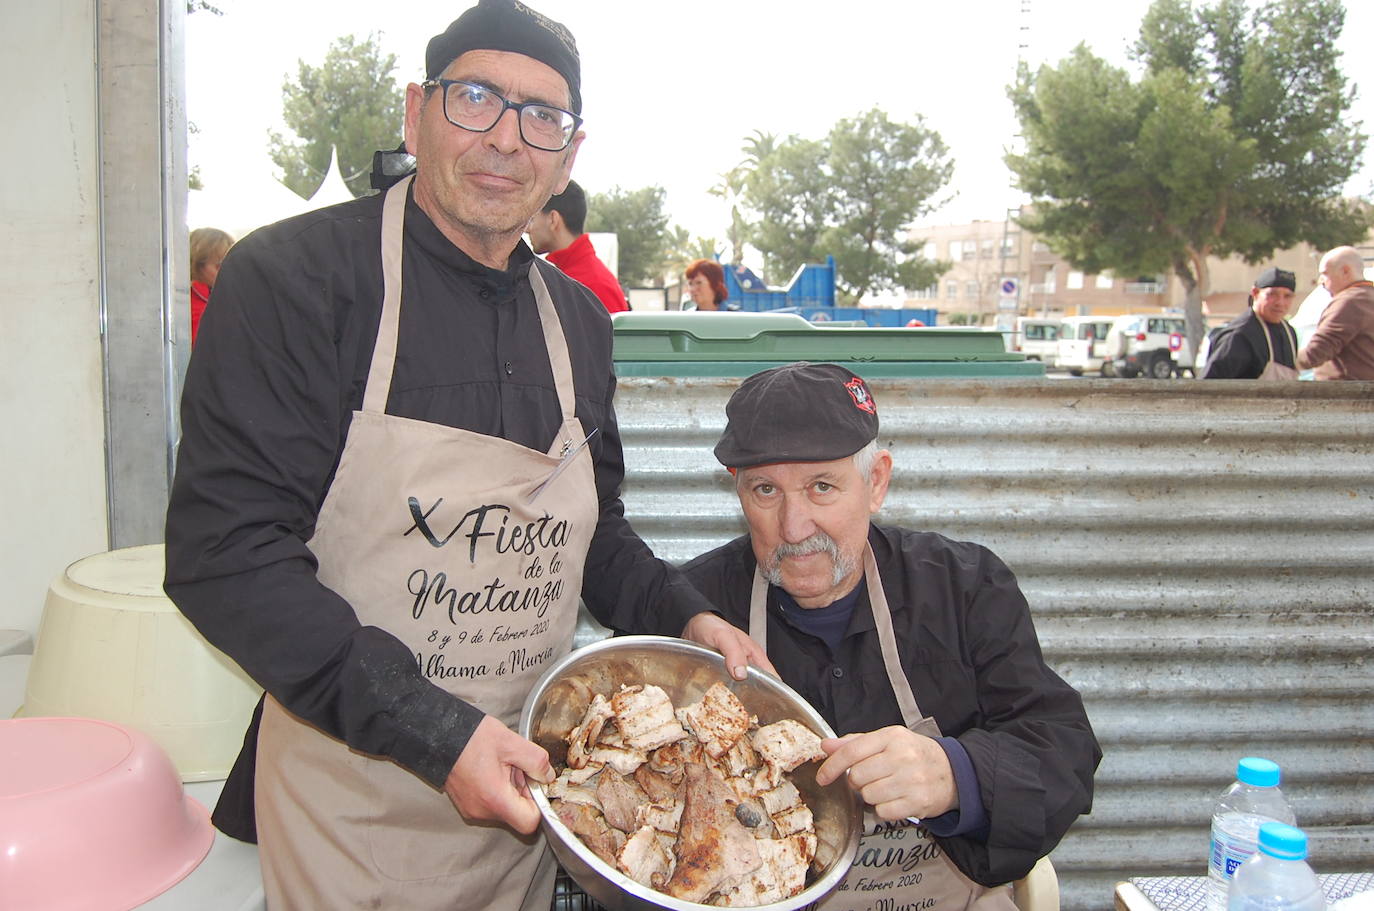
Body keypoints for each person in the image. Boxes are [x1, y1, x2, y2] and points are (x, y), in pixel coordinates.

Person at [162, 2, 765, 908]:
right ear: (416, 112)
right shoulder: (294, 281)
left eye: (542, 117)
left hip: (522, 781)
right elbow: (225, 556)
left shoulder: (581, 324)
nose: (506, 140)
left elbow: (590, 536)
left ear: (568, 153)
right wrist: (436, 733)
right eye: (475, 97)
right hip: (353, 792)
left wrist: (688, 617)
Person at [680, 362, 1101, 909]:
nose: (794, 526)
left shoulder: (964, 586)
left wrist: (957, 775)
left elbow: (1064, 749)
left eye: (822, 487)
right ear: (738, 492)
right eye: (765, 490)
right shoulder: (694, 610)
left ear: (876, 482)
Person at [526, 179, 628, 314]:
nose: (527, 229)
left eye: (532, 219)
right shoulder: (566, 277)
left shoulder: (595, 286)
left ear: (553, 219)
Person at [1201, 267, 1299, 379]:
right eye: (1272, 294)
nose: (1280, 302)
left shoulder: (1289, 333)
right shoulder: (1240, 335)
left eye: (1287, 296)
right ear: (1255, 293)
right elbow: (1209, 385)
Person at [1297, 245, 1374, 380]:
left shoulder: (1350, 302)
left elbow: (1316, 352)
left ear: (1345, 271)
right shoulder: (1367, 297)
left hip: (1348, 395)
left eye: (1325, 273)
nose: (1321, 281)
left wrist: (1280, 362)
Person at [188, 226, 233, 345]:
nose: (226, 271)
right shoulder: (191, 306)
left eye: (230, 265)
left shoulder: (220, 297)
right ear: (197, 265)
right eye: (219, 266)